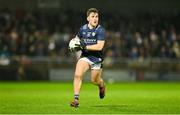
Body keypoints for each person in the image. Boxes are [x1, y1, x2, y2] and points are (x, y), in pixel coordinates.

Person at [70, 8, 106, 108]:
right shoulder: (82, 29)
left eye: (97, 16)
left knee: (94, 81)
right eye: (93, 16)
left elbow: (100, 46)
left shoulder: (100, 30)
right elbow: (77, 40)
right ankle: (76, 99)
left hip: (96, 58)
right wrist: (74, 44)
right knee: (77, 75)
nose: (95, 19)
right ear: (88, 18)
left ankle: (102, 85)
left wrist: (85, 46)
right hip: (85, 56)